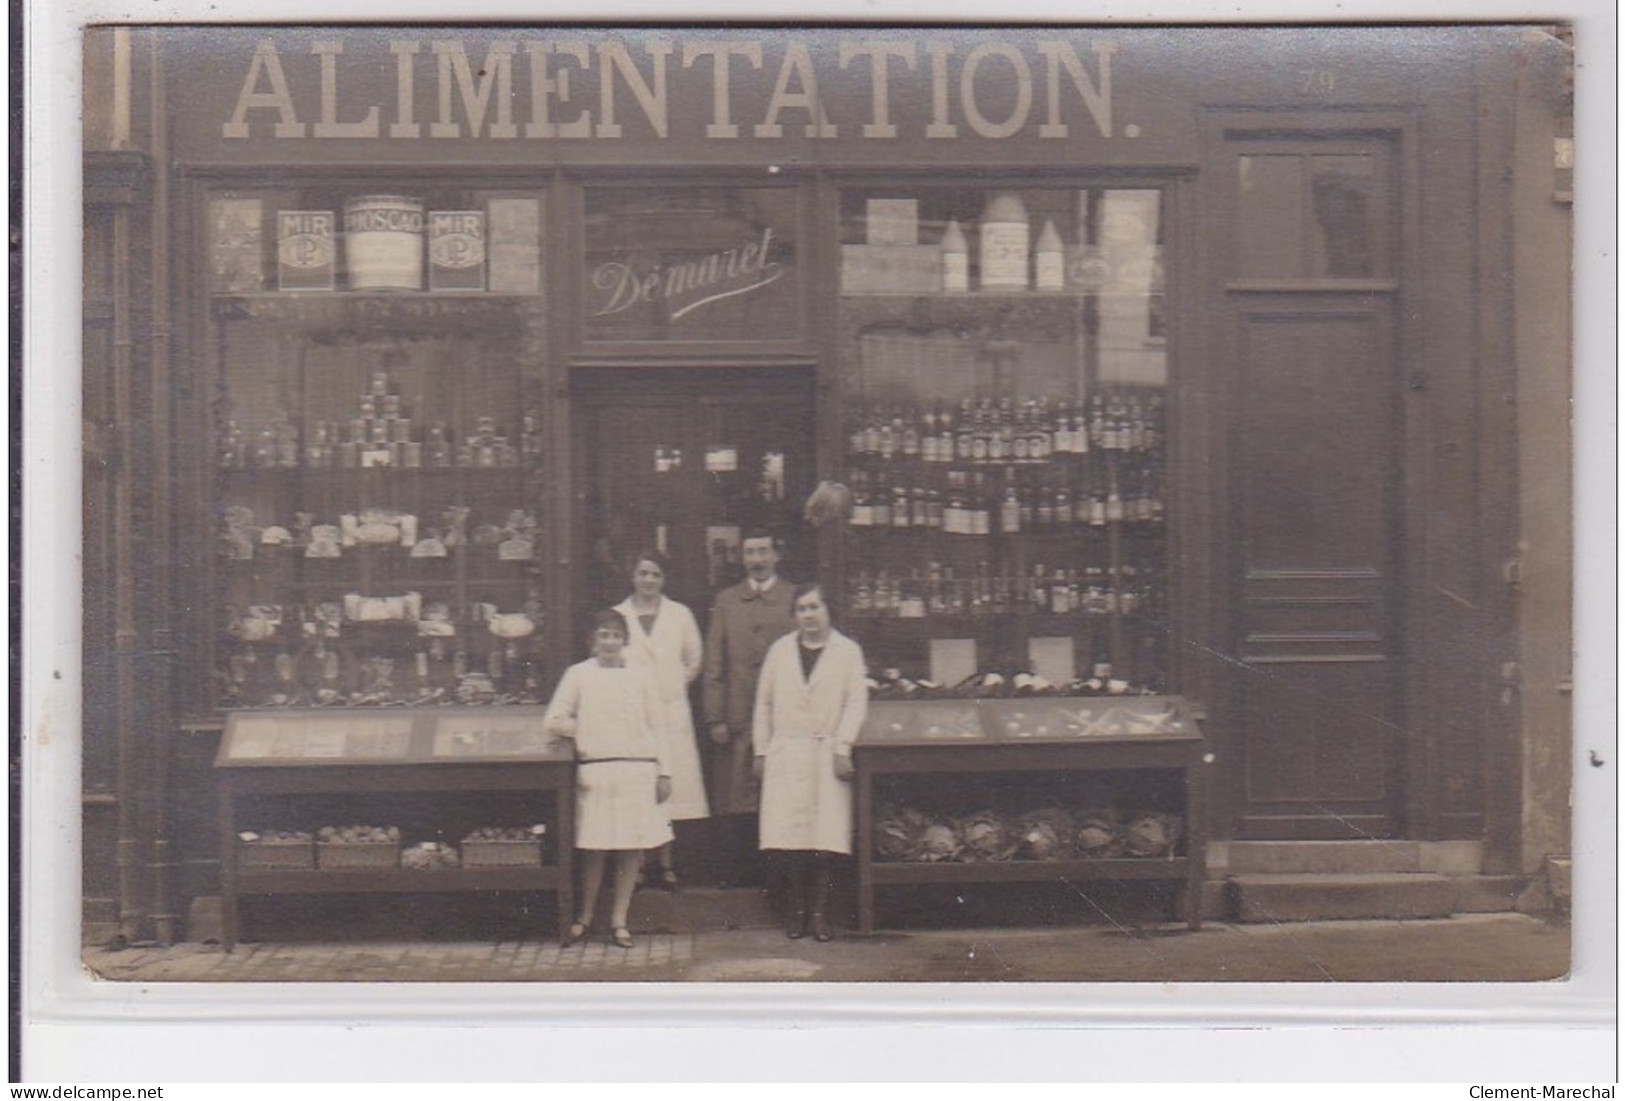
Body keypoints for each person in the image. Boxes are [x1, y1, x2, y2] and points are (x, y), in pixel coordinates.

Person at [543, 609, 672, 950]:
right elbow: (554, 719)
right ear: (593, 640)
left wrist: (665, 771)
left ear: (625, 640)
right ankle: (585, 918)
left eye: (616, 635)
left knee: (632, 849)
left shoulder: (642, 677)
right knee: (594, 849)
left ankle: (619, 921)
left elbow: (659, 726)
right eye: (604, 635)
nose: (611, 642)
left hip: (637, 771)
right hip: (597, 772)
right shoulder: (578, 675)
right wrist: (588, 729)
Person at [752, 582, 868, 942]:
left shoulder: (847, 652)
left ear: (828, 610)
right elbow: (764, 704)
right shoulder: (779, 652)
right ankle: (797, 912)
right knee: (789, 841)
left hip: (825, 753)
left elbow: (855, 702)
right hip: (787, 752)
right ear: (794, 616)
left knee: (823, 841)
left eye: (815, 607)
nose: (808, 615)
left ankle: (820, 914)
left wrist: (842, 747)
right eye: (801, 609)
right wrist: (761, 750)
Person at [702, 530, 796, 881]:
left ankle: (774, 876)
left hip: (779, 718)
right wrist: (715, 717)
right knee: (733, 798)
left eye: (763, 551)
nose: (756, 560)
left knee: (776, 797)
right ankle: (734, 874)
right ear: (742, 558)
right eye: (750, 553)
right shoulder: (727, 601)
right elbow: (714, 661)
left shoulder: (791, 597)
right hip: (736, 716)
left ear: (776, 556)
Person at [613, 550, 708, 890]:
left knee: (671, 789)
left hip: (670, 711)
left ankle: (666, 864)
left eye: (655, 574)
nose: (648, 580)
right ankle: (637, 864)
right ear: (632, 576)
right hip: (633, 714)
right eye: (643, 573)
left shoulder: (680, 615)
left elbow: (695, 658)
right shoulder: (619, 616)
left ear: (664, 579)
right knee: (639, 787)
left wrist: (672, 685)